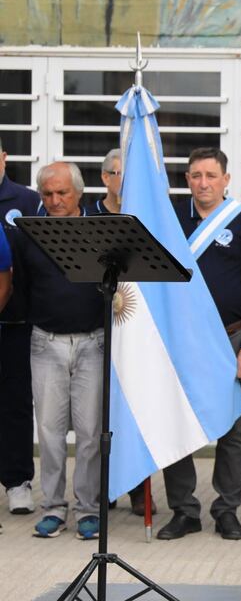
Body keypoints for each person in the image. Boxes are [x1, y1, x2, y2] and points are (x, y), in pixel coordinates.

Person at [156, 147, 241, 541]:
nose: (203, 183)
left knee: (232, 428)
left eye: (210, 175)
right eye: (195, 175)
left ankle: (226, 509)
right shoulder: (170, 221)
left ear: (225, 180)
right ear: (187, 180)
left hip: (231, 337)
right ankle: (184, 510)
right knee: (176, 424)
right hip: (181, 340)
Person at [12, 163, 103, 539]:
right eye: (47, 194)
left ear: (79, 193)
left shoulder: (101, 230)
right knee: (48, 432)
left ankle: (87, 509)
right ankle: (53, 506)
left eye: (62, 193)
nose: (54, 201)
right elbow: (22, 289)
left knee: (90, 432)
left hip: (93, 343)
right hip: (45, 342)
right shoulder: (28, 233)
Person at [0, 138, 41, 518]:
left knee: (14, 404)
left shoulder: (27, 201)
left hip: (15, 321)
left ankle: (17, 481)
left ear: (4, 157)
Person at [85, 149, 122, 215]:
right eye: (121, 174)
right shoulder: (89, 216)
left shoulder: (143, 214)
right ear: (106, 178)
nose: (126, 179)